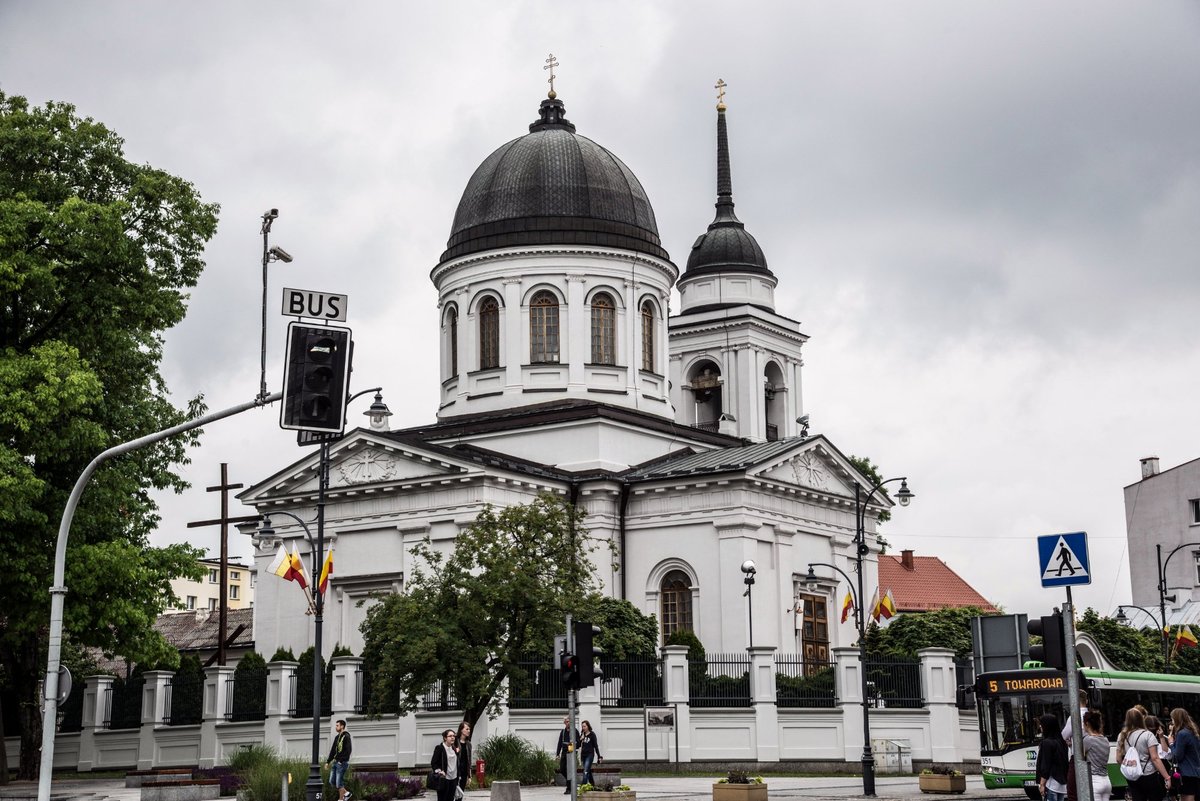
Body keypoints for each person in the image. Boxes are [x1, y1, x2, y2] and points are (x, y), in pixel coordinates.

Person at [1119, 706, 1172, 801]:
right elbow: (1155, 758)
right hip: (1148, 774)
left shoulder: (1122, 735)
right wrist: (1167, 777)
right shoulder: (1147, 735)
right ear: (1141, 719)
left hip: (1133, 776)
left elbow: (1119, 759)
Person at [1168, 708, 1200, 801]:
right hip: (1195, 771)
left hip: (1186, 772)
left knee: (1187, 798)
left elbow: (1178, 756)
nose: (1172, 722)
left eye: (1173, 719)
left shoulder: (1182, 734)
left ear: (1177, 719)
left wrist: (1171, 743)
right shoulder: (1193, 732)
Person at [1038, 713, 1069, 801]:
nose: (1040, 726)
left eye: (1042, 724)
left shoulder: (1047, 743)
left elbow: (1045, 766)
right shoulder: (1062, 742)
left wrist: (1042, 784)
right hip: (1062, 785)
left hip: (1051, 784)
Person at [1083, 710, 1113, 801]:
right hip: (1106, 780)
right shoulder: (1105, 740)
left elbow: (1080, 757)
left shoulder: (1088, 740)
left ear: (1087, 723)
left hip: (1094, 781)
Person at [324, 719, 353, 801]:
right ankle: (347, 793)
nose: (336, 727)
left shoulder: (346, 737)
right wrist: (328, 762)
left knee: (339, 783)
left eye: (337, 725)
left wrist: (341, 761)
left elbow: (348, 750)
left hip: (342, 763)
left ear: (342, 726)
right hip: (335, 762)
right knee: (332, 781)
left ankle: (341, 799)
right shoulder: (337, 737)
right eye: (336, 725)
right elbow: (333, 750)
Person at [431, 728, 460, 801]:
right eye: (450, 736)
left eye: (453, 736)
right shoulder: (440, 748)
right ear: (445, 738)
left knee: (451, 799)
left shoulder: (454, 748)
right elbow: (433, 763)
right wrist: (439, 771)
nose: (453, 737)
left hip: (454, 778)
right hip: (444, 778)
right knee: (443, 799)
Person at [556, 715, 579, 794]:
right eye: (566, 722)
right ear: (564, 723)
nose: (567, 723)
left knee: (569, 770)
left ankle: (569, 788)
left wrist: (572, 744)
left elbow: (578, 743)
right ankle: (571, 782)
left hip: (571, 753)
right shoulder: (563, 732)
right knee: (562, 769)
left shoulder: (575, 731)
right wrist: (557, 753)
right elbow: (559, 743)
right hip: (564, 752)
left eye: (568, 721)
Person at [579, 720, 602, 786]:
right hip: (583, 755)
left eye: (584, 726)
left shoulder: (592, 734)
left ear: (588, 726)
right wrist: (581, 739)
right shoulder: (582, 734)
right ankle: (592, 785)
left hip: (590, 755)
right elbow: (578, 745)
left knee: (585, 771)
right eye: (582, 726)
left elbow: (596, 746)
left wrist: (599, 756)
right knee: (588, 770)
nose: (583, 728)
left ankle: (583, 787)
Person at [456, 720, 473, 792]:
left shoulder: (468, 744)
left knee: (460, 793)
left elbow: (469, 760)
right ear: (461, 730)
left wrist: (469, 775)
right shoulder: (455, 742)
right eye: (467, 729)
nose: (469, 731)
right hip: (455, 772)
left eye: (469, 729)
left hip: (464, 772)